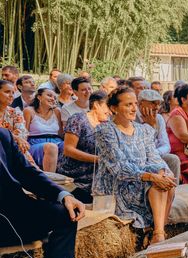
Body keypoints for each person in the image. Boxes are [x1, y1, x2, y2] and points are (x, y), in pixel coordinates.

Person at [0, 127, 85, 258]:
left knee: (65, 214)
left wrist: (64, 196)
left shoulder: (3, 135)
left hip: (14, 215)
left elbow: (27, 173)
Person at [94, 86, 176, 243]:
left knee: (166, 180)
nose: (134, 108)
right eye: (128, 104)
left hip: (142, 182)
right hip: (117, 185)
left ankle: (157, 232)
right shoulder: (105, 131)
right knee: (157, 181)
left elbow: (154, 158)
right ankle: (158, 235)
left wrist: (164, 173)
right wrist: (151, 176)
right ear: (113, 108)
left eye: (135, 104)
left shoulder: (143, 130)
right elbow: (119, 168)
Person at [57, 91, 111, 203]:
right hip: (75, 177)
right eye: (108, 107)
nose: (110, 112)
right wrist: (97, 159)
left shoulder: (108, 125)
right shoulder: (78, 119)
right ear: (96, 105)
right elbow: (68, 150)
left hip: (97, 179)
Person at [136, 89, 181, 183]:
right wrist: (150, 126)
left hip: (154, 154)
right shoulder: (133, 117)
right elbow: (138, 145)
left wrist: (154, 153)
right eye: (153, 103)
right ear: (140, 103)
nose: (156, 107)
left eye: (158, 104)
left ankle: (173, 191)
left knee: (173, 159)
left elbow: (166, 145)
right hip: (137, 157)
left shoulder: (159, 118)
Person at [23, 88, 64, 172]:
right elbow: (24, 133)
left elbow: (60, 133)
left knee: (67, 146)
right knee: (51, 147)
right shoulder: (29, 111)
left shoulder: (57, 111)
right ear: (39, 97)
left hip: (56, 140)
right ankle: (49, 181)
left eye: (55, 97)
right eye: (49, 95)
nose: (53, 98)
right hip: (35, 143)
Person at [0, 80, 33, 163]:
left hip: (13, 147)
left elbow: (22, 132)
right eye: (7, 92)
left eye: (13, 92)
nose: (11, 95)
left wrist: (17, 138)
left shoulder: (15, 112)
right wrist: (15, 137)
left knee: (21, 148)